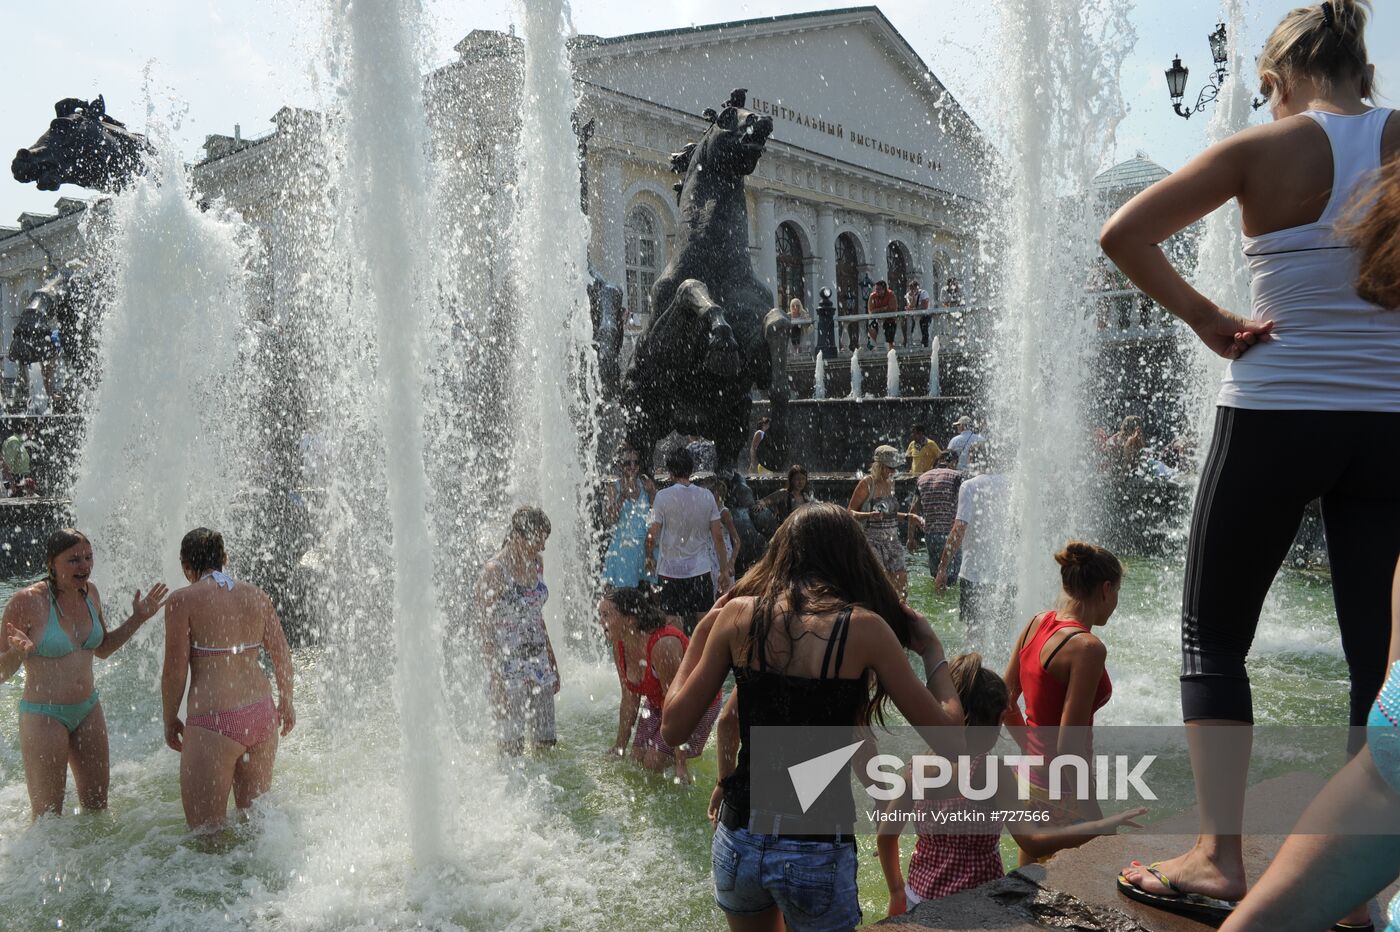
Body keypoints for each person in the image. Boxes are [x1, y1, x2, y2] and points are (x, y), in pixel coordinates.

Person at [1100, 2, 1400, 920]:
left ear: (1278, 80)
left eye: (1265, 93)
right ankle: (1362, 879)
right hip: (1391, 425)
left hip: (1273, 410)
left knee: (1212, 634)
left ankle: (1216, 858)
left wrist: (1206, 319)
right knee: (1376, 658)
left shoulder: (1262, 152)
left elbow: (1122, 235)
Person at [661, 502, 966, 932]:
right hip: (814, 848)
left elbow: (673, 727)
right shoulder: (865, 630)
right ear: (851, 558)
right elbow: (953, 740)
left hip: (740, 840)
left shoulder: (737, 617)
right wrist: (932, 650)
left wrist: (701, 633)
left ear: (781, 553)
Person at [878, 653, 1145, 915]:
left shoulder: (917, 768)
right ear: (990, 724)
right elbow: (1032, 842)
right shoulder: (991, 772)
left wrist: (896, 891)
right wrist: (1101, 825)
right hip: (975, 903)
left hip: (919, 898)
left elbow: (886, 835)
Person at [0, 528, 167, 818]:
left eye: (88, 557)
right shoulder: (26, 602)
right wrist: (16, 653)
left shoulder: (91, 594)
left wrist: (138, 619)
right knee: (48, 820)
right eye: (74, 559)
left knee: (97, 812)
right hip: (44, 716)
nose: (85, 566)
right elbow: (2, 672)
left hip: (88, 710)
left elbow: (102, 649)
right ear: (52, 562)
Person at [160, 528, 294, 832]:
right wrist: (286, 700)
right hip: (261, 716)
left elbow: (174, 670)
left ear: (185, 566)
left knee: (207, 838)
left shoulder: (182, 601)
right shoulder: (256, 595)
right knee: (255, 827)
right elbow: (282, 655)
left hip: (214, 722)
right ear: (225, 558)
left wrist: (169, 718)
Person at [1004, 541, 1122, 864]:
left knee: (1031, 886)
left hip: (1027, 780)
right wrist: (1097, 820)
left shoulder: (1036, 623)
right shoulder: (1087, 648)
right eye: (1117, 594)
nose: (1115, 603)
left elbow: (1004, 701)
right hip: (1061, 791)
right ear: (1106, 589)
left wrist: (1031, 748)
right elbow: (1069, 746)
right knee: (1071, 890)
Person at [602, 584, 721, 783]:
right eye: (601, 615)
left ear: (630, 619)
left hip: (696, 704)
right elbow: (629, 700)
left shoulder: (662, 645)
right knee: (636, 760)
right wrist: (619, 748)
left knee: (652, 763)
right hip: (661, 703)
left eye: (607, 615)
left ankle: (682, 757)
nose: (601, 622)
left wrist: (681, 766)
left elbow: (679, 704)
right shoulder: (619, 644)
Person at [476, 506, 560, 754]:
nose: (543, 547)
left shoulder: (537, 563)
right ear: (520, 536)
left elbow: (537, 615)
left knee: (546, 745)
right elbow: (484, 629)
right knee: (511, 748)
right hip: (508, 668)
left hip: (539, 664)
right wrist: (495, 680)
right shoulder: (495, 572)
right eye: (539, 540)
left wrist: (552, 659)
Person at [935, 443, 1013, 647]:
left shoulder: (970, 486)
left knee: (974, 633)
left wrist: (943, 567)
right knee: (1004, 633)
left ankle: (974, 675)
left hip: (974, 573)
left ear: (972, 460)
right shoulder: (1014, 484)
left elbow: (959, 527)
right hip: (1007, 573)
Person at [646, 447, 730, 635]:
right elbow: (718, 537)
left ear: (669, 472)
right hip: (700, 571)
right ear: (691, 470)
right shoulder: (706, 496)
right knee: (705, 626)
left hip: (670, 572)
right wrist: (724, 570)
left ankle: (680, 661)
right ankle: (704, 662)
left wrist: (649, 556)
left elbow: (652, 534)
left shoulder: (662, 497)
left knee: (673, 626)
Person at [849, 445, 921, 598]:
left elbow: (891, 514)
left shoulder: (891, 483)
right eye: (890, 468)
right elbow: (849, 512)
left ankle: (900, 620)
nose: (894, 472)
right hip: (872, 542)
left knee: (902, 592)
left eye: (895, 468)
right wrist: (869, 515)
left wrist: (910, 517)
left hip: (892, 541)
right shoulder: (867, 483)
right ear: (879, 466)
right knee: (882, 589)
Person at [602, 444, 658, 588]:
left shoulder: (645, 484)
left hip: (646, 548)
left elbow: (656, 515)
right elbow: (608, 519)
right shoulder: (614, 488)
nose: (632, 466)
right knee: (625, 597)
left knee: (653, 596)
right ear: (620, 465)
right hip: (624, 550)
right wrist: (621, 498)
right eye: (628, 463)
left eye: (636, 462)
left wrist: (652, 493)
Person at [908, 449, 964, 581]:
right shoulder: (957, 476)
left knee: (936, 577)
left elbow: (913, 510)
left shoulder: (922, 478)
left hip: (930, 535)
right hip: (951, 535)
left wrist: (910, 538)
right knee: (951, 579)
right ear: (954, 462)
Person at [701, 476, 741, 596]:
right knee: (712, 590)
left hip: (722, 555)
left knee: (725, 590)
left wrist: (731, 563)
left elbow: (737, 541)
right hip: (709, 554)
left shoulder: (724, 513)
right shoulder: (705, 511)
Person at [2, 431, 40, 497]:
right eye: (30, 431)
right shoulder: (13, 441)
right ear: (26, 429)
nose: (31, 433)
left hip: (22, 482)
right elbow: (6, 465)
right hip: (16, 482)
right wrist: (12, 483)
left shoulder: (19, 442)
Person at [867, 279, 898, 352]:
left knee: (890, 337)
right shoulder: (873, 296)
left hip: (890, 320)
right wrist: (884, 308)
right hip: (879, 320)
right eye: (876, 289)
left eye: (878, 289)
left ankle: (891, 351)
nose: (876, 291)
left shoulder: (891, 294)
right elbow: (871, 311)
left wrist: (878, 310)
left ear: (884, 289)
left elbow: (892, 308)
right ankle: (878, 345)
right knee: (871, 328)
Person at [905, 279, 932, 347]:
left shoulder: (923, 293)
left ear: (917, 287)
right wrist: (913, 298)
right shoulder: (908, 295)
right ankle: (913, 345)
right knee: (913, 330)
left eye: (914, 288)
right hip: (915, 316)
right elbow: (909, 306)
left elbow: (925, 306)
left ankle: (925, 345)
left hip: (925, 315)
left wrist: (913, 308)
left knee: (924, 330)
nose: (912, 290)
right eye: (911, 289)